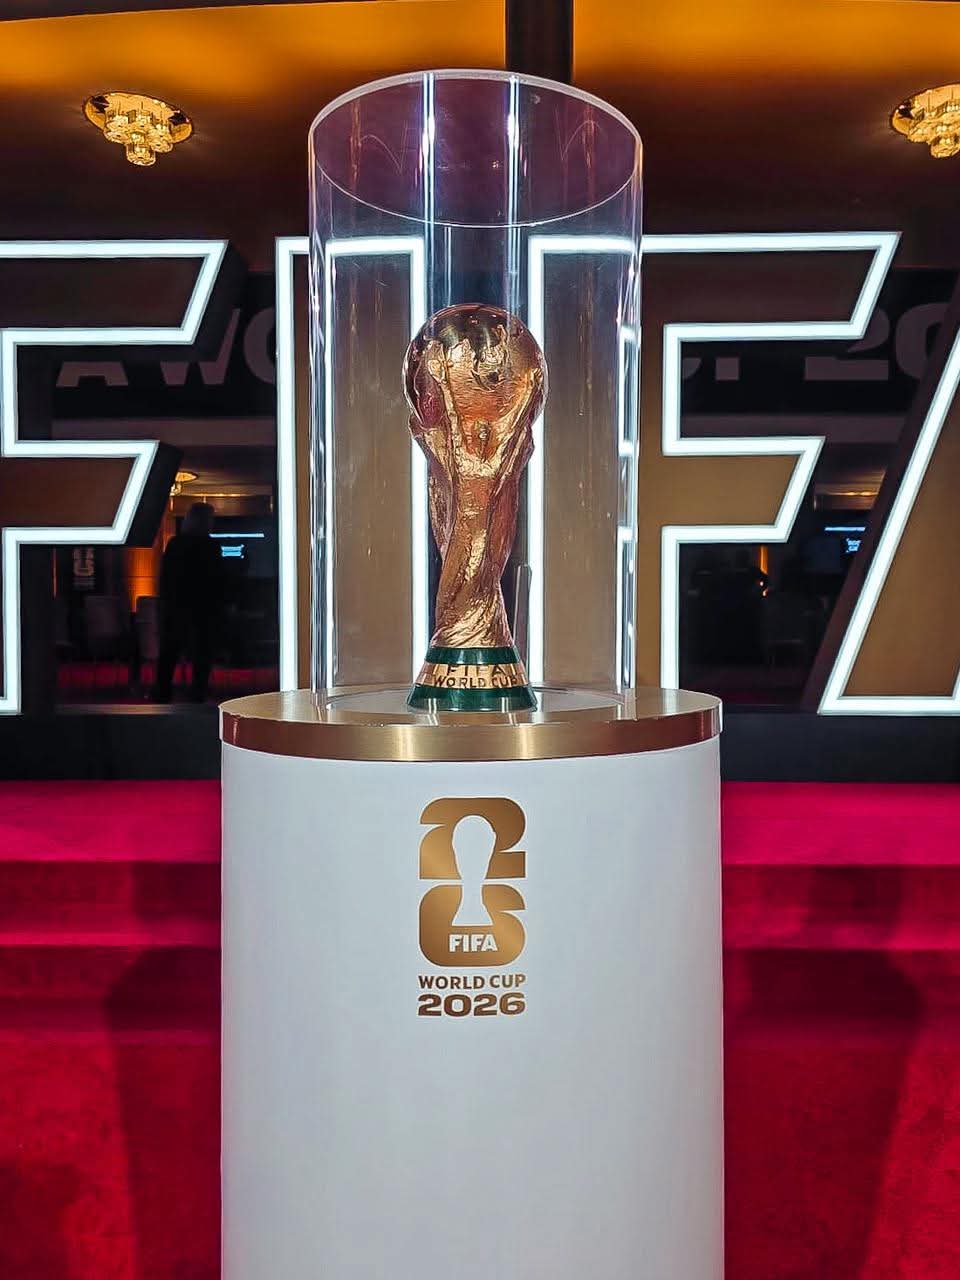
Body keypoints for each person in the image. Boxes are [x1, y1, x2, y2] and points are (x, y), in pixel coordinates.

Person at [152, 502, 223, 702]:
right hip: (203, 609)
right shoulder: (211, 546)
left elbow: (165, 579)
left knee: (169, 653)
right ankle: (197, 694)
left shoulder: (175, 544)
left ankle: (162, 693)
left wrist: (163, 605)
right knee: (202, 654)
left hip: (176, 607)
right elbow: (217, 580)